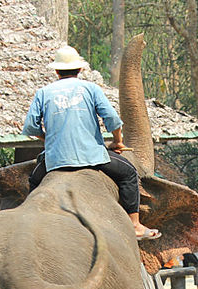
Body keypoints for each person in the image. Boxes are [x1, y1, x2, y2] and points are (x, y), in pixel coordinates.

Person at [22, 44, 160, 240]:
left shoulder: (43, 93)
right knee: (129, 173)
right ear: (79, 69)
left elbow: (30, 128)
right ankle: (135, 224)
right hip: (93, 157)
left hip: (55, 160)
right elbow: (112, 119)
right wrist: (117, 141)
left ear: (56, 70)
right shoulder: (90, 89)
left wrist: (50, 140)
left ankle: (30, 223)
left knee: (34, 181)